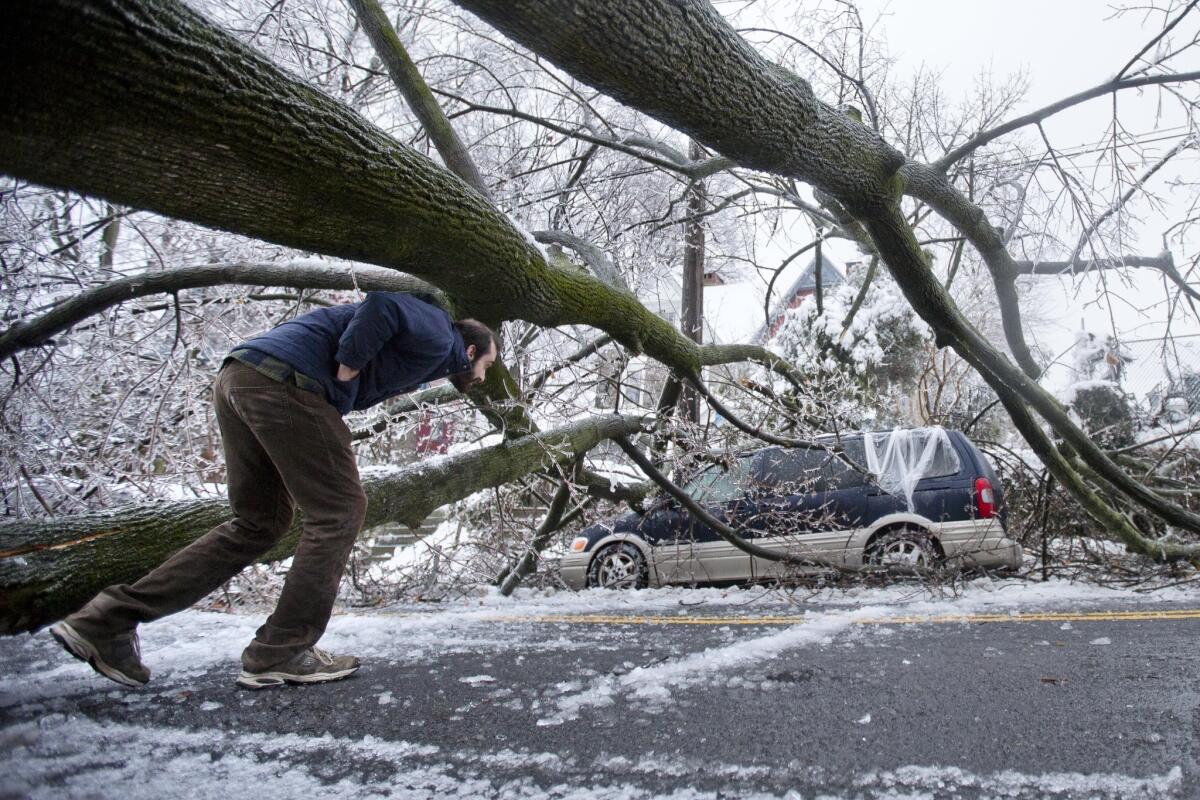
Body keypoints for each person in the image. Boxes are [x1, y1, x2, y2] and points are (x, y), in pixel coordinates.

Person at [50, 291, 497, 690]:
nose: (482, 376)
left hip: (241, 378)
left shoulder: (429, 354)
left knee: (259, 524)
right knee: (340, 511)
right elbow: (383, 305)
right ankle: (281, 650)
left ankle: (106, 621)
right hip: (286, 384)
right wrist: (348, 367)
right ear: (472, 349)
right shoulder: (442, 335)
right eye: (487, 365)